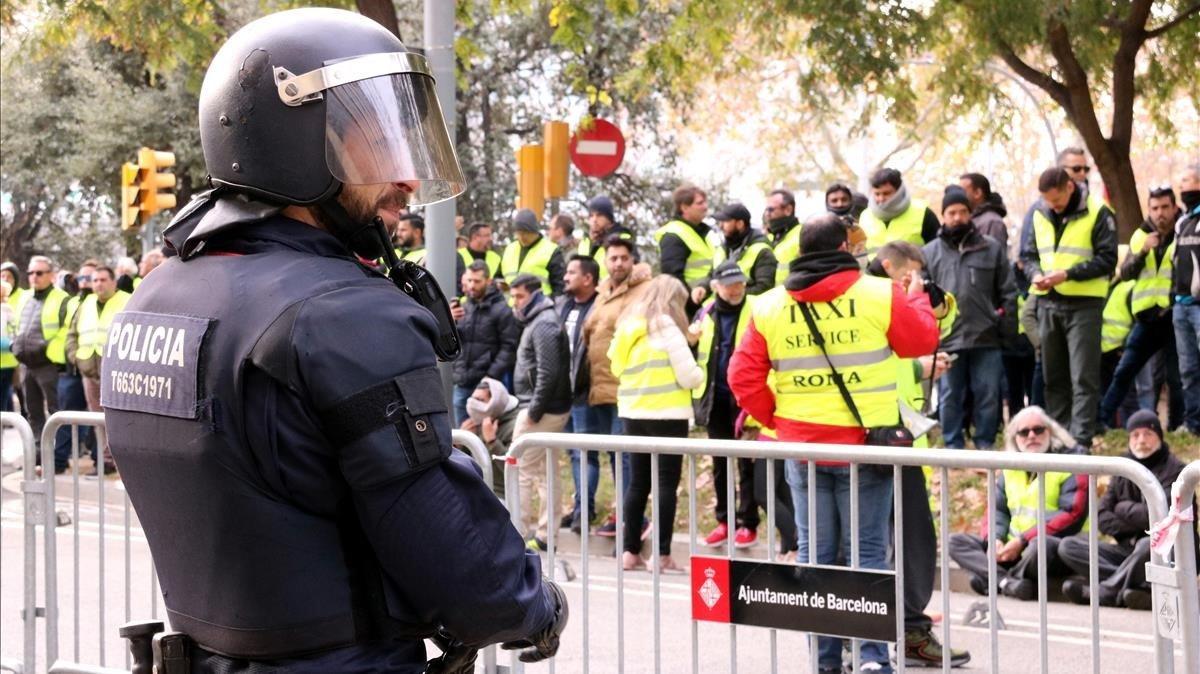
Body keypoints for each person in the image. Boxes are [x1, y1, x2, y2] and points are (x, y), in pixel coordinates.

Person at [102, 10, 567, 671]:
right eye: (379, 145)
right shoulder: (340, 313)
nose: (406, 180)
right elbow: (449, 550)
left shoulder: (157, 297)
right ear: (293, 143)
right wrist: (536, 607)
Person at [730, 215, 939, 674]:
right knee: (865, 558)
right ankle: (870, 659)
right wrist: (918, 294)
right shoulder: (879, 293)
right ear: (845, 245)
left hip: (801, 449)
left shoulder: (768, 305)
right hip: (864, 449)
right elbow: (921, 339)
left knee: (814, 557)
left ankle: (824, 662)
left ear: (801, 251)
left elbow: (741, 378)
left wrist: (780, 421)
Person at [865, 242, 968, 668]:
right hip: (878, 439)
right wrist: (916, 365)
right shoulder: (875, 297)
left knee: (904, 541)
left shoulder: (878, 295)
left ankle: (877, 641)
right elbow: (883, 357)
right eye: (909, 276)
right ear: (889, 268)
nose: (915, 285)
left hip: (893, 437)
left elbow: (936, 321)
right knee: (895, 544)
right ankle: (893, 638)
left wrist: (918, 363)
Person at [694, 262, 795, 552]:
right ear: (716, 287)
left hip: (748, 398)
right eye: (729, 284)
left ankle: (748, 523)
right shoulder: (708, 311)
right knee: (720, 463)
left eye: (740, 283)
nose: (736, 289)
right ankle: (725, 520)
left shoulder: (757, 306)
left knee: (747, 465)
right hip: (715, 399)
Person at [609, 274, 703, 572]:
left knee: (637, 483)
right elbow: (688, 376)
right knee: (665, 485)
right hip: (667, 416)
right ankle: (660, 555)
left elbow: (615, 368)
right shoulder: (666, 327)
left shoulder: (628, 328)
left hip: (632, 413)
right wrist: (703, 370)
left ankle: (629, 551)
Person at [948, 406, 1090, 601]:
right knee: (955, 541)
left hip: (1053, 548)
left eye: (1038, 430)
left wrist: (1023, 540)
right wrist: (995, 540)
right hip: (1011, 547)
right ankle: (1007, 582)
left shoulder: (1072, 463)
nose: (1031, 436)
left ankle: (995, 579)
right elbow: (997, 511)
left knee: (1041, 545)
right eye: (1023, 432)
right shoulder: (1009, 468)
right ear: (1015, 438)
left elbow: (1072, 514)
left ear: (1051, 432)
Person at [1021, 166, 1117, 447]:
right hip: (1048, 301)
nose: (1053, 206)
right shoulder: (1039, 212)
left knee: (1083, 377)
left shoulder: (1099, 211)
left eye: (1057, 199)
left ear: (1070, 188)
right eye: (1048, 201)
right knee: (1054, 377)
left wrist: (1068, 274)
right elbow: (1027, 255)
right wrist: (1035, 274)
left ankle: (1081, 440)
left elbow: (1108, 259)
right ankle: (1060, 438)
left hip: (1084, 304)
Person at [1058, 410, 1189, 609]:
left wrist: (1122, 508)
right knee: (1068, 546)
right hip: (1126, 549)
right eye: (1135, 435)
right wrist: (1134, 517)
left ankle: (1109, 591)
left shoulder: (1176, 470)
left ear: (1159, 438)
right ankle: (1137, 584)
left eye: (1148, 434)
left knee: (1148, 544)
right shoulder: (1123, 467)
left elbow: (1159, 519)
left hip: (1168, 551)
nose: (1141, 440)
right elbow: (1102, 516)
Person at [923, 186, 1017, 448]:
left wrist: (1006, 329)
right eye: (951, 212)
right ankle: (953, 444)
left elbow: (1008, 292)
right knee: (950, 395)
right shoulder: (930, 252)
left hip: (986, 335)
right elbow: (922, 298)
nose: (957, 218)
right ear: (943, 216)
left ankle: (985, 442)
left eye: (963, 212)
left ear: (971, 215)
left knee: (988, 394)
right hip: (948, 339)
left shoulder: (992, 248)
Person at [1099, 186, 1183, 430]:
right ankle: (1103, 420)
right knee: (1124, 371)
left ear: (1174, 207)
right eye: (1155, 208)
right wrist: (1144, 251)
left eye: (1165, 207)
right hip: (1146, 319)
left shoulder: (1183, 233)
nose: (1160, 214)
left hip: (1172, 316)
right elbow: (1125, 274)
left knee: (1176, 378)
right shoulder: (1139, 236)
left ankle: (1176, 426)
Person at [581, 236, 649, 536]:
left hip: (627, 388)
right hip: (600, 388)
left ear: (632, 260)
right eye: (613, 258)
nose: (618, 263)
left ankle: (632, 520)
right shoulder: (602, 293)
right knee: (614, 457)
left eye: (624, 257)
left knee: (625, 459)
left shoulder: (643, 291)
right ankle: (622, 514)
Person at [509, 274, 572, 550]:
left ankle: (517, 534)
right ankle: (547, 536)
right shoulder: (540, 319)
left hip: (541, 409)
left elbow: (549, 372)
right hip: (546, 407)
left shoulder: (543, 323)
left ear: (534, 294)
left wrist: (534, 410)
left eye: (520, 296)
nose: (515, 302)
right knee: (546, 472)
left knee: (520, 469)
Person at [555, 255, 607, 533]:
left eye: (572, 272)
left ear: (588, 279)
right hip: (565, 394)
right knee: (574, 454)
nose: (565, 276)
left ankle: (584, 512)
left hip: (587, 393)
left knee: (584, 455)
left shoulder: (600, 307)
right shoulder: (564, 306)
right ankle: (579, 507)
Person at [65, 265, 129, 475]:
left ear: (113, 281)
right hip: (89, 370)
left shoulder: (128, 300)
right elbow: (72, 334)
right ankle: (106, 461)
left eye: (103, 280)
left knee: (119, 418)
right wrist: (75, 358)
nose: (99, 284)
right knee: (97, 418)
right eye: (95, 280)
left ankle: (123, 461)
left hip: (118, 371)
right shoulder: (87, 304)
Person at [12, 255, 71, 473]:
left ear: (51, 276)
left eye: (39, 273)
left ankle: (57, 459)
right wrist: (15, 346)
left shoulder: (61, 298)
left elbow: (66, 331)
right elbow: (16, 327)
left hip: (49, 366)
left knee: (56, 413)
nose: (33, 277)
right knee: (33, 413)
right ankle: (37, 457)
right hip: (26, 365)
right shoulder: (25, 298)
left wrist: (47, 350)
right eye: (30, 273)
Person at [452, 261, 520, 425]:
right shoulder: (464, 306)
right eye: (469, 280)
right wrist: (450, 320)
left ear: (488, 281)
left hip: (489, 384)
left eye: (477, 281)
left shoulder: (502, 310)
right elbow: (453, 341)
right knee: (463, 435)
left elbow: (509, 348)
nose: (471, 286)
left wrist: (489, 379)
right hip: (463, 381)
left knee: (489, 433)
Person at [1171, 164, 1200, 437]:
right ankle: (1193, 424)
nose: (1184, 189)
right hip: (1181, 306)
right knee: (1188, 369)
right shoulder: (1182, 222)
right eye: (1181, 183)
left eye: (1189, 182)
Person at [654, 184, 714, 311]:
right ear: (685, 207)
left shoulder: (704, 232)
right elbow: (673, 279)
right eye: (700, 203)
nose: (705, 207)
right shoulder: (674, 234)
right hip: (692, 308)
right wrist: (694, 304)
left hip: (708, 302)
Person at [859, 167, 939, 259]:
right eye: (877, 194)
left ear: (899, 191)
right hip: (871, 273)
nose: (881, 199)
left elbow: (937, 250)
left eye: (886, 193)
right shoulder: (865, 216)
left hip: (914, 272)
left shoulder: (923, 213)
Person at [462, 376, 520, 493]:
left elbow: (515, 469)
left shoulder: (515, 426)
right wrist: (462, 443)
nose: (474, 404)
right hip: (477, 487)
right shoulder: (477, 421)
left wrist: (492, 441)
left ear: (496, 402)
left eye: (480, 400)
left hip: (503, 492)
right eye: (473, 398)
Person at [712, 203, 777, 295]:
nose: (720, 226)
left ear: (740, 224)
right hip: (720, 306)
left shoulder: (762, 251)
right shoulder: (723, 247)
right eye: (720, 222)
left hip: (747, 308)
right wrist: (702, 287)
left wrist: (731, 294)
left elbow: (764, 289)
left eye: (725, 222)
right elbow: (712, 275)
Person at [502, 209, 565, 297]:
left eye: (526, 233)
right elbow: (499, 278)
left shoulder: (551, 250)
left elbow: (560, 288)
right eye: (518, 233)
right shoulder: (509, 249)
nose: (521, 237)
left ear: (535, 231)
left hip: (539, 307)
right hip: (510, 308)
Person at [577, 195, 633, 280]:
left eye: (599, 215)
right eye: (591, 216)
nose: (594, 220)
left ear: (609, 219)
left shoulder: (621, 239)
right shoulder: (584, 242)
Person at [958, 172, 1009, 253]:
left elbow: (995, 260)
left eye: (962, 191)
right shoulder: (970, 219)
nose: (958, 195)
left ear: (977, 193)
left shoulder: (992, 222)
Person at [765, 188, 802, 284]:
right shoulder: (770, 238)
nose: (767, 214)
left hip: (792, 296)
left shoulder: (803, 235)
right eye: (766, 210)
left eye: (771, 210)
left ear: (788, 210)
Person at [0, 279, 15, 412]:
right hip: (8, 361)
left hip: (7, 362)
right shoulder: (8, 309)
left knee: (3, 397)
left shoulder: (6, 310)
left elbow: (13, 333)